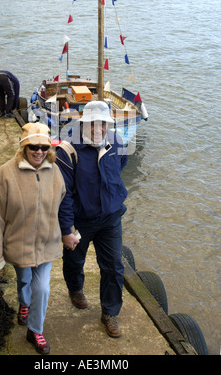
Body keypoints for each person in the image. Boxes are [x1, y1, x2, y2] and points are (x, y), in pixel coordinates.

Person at [0, 122, 66, 354]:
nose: (39, 151)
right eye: (33, 147)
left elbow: (64, 203)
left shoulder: (55, 171)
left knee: (43, 288)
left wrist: (69, 231)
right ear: (24, 148)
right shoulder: (5, 174)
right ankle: (24, 302)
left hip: (47, 244)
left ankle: (35, 330)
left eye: (43, 147)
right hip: (19, 244)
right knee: (24, 281)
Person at [56, 101, 128, 338]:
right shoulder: (67, 151)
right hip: (81, 221)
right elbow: (63, 195)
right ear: (83, 123)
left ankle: (110, 312)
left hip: (110, 218)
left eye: (103, 124)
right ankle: (75, 288)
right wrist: (67, 229)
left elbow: (120, 167)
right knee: (75, 260)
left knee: (114, 266)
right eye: (93, 124)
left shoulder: (117, 142)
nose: (98, 129)